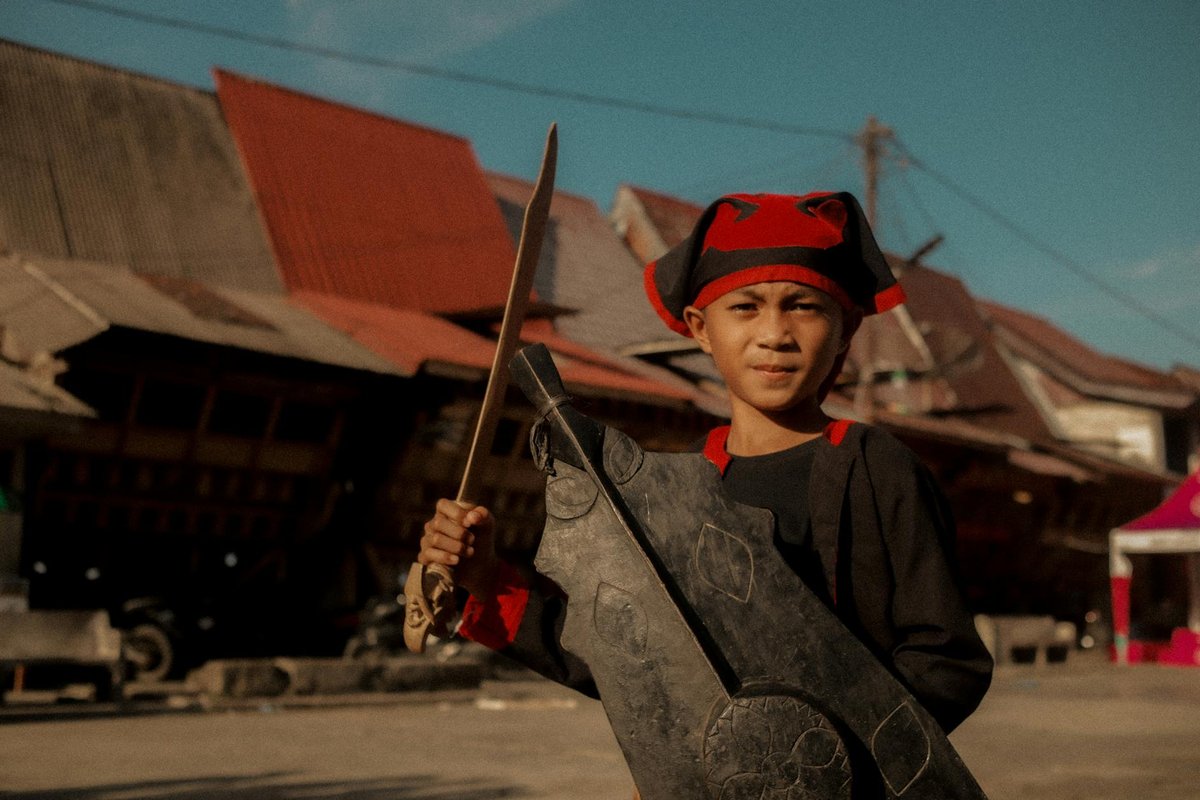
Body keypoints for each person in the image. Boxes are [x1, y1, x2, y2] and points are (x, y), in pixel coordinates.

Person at [419, 190, 992, 741]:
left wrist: (832, 760)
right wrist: (485, 580)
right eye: (745, 307)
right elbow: (627, 661)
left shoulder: (877, 469)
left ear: (845, 328)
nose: (775, 335)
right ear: (701, 329)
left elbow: (947, 662)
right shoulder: (667, 487)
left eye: (803, 306)